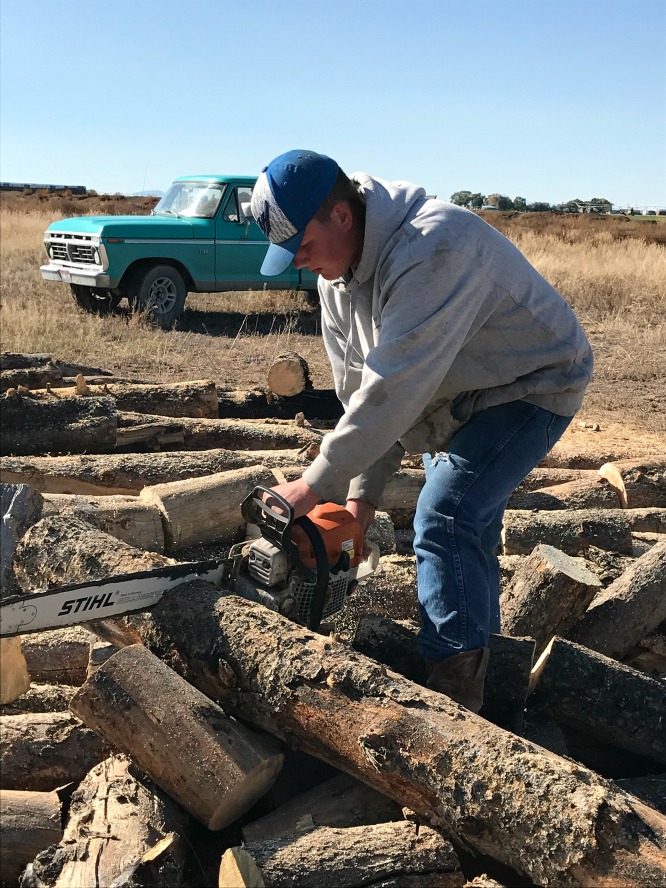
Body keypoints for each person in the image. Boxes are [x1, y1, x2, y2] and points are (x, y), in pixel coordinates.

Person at [251, 149, 593, 712]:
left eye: (304, 248)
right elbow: (361, 396)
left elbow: (395, 387)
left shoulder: (435, 247)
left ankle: (452, 707)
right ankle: (497, 690)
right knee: (469, 532)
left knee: (446, 515)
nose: (298, 263)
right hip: (453, 396)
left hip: (533, 384)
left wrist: (314, 486)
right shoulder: (335, 281)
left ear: (341, 215)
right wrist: (359, 501)